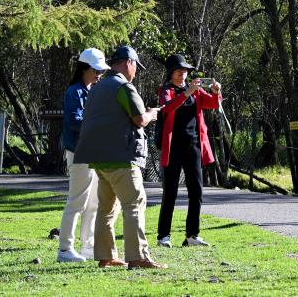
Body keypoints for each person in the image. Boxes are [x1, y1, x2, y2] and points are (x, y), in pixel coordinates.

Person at [73, 45, 165, 270]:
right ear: (128, 63)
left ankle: (106, 256)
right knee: (134, 204)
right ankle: (138, 257)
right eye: (136, 66)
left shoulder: (96, 87)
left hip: (100, 160)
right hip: (122, 159)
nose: (135, 72)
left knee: (106, 209)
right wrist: (152, 114)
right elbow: (139, 120)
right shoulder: (124, 87)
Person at [155, 54, 222, 248]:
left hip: (193, 145)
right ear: (171, 73)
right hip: (173, 147)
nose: (183, 74)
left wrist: (217, 92)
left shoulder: (195, 90)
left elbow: (213, 104)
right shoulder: (166, 90)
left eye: (185, 71)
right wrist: (186, 93)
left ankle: (192, 235)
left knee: (196, 191)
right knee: (170, 192)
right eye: (178, 71)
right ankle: (163, 236)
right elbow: (167, 108)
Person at [56, 47, 109, 262]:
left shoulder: (91, 90)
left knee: (93, 202)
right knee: (77, 201)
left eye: (101, 71)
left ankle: (88, 246)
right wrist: (99, 122)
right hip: (79, 153)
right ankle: (65, 249)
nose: (99, 75)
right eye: (95, 70)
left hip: (92, 152)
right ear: (84, 69)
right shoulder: (74, 92)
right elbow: (74, 122)